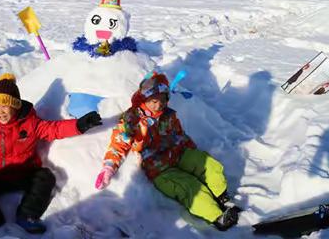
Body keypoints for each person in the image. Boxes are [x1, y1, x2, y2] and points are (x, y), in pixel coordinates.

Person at [0, 73, 102, 239]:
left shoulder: (30, 123)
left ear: (16, 105)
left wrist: (78, 125)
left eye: (4, 106)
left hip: (25, 173)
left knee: (45, 177)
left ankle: (27, 216)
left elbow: (53, 129)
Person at [95, 72, 240, 231]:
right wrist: (109, 168)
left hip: (179, 154)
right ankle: (217, 216)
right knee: (189, 186)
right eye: (153, 101)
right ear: (145, 99)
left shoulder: (168, 115)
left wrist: (191, 151)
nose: (158, 105)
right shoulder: (132, 119)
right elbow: (119, 144)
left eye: (162, 100)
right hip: (160, 170)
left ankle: (222, 197)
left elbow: (179, 134)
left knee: (207, 163)